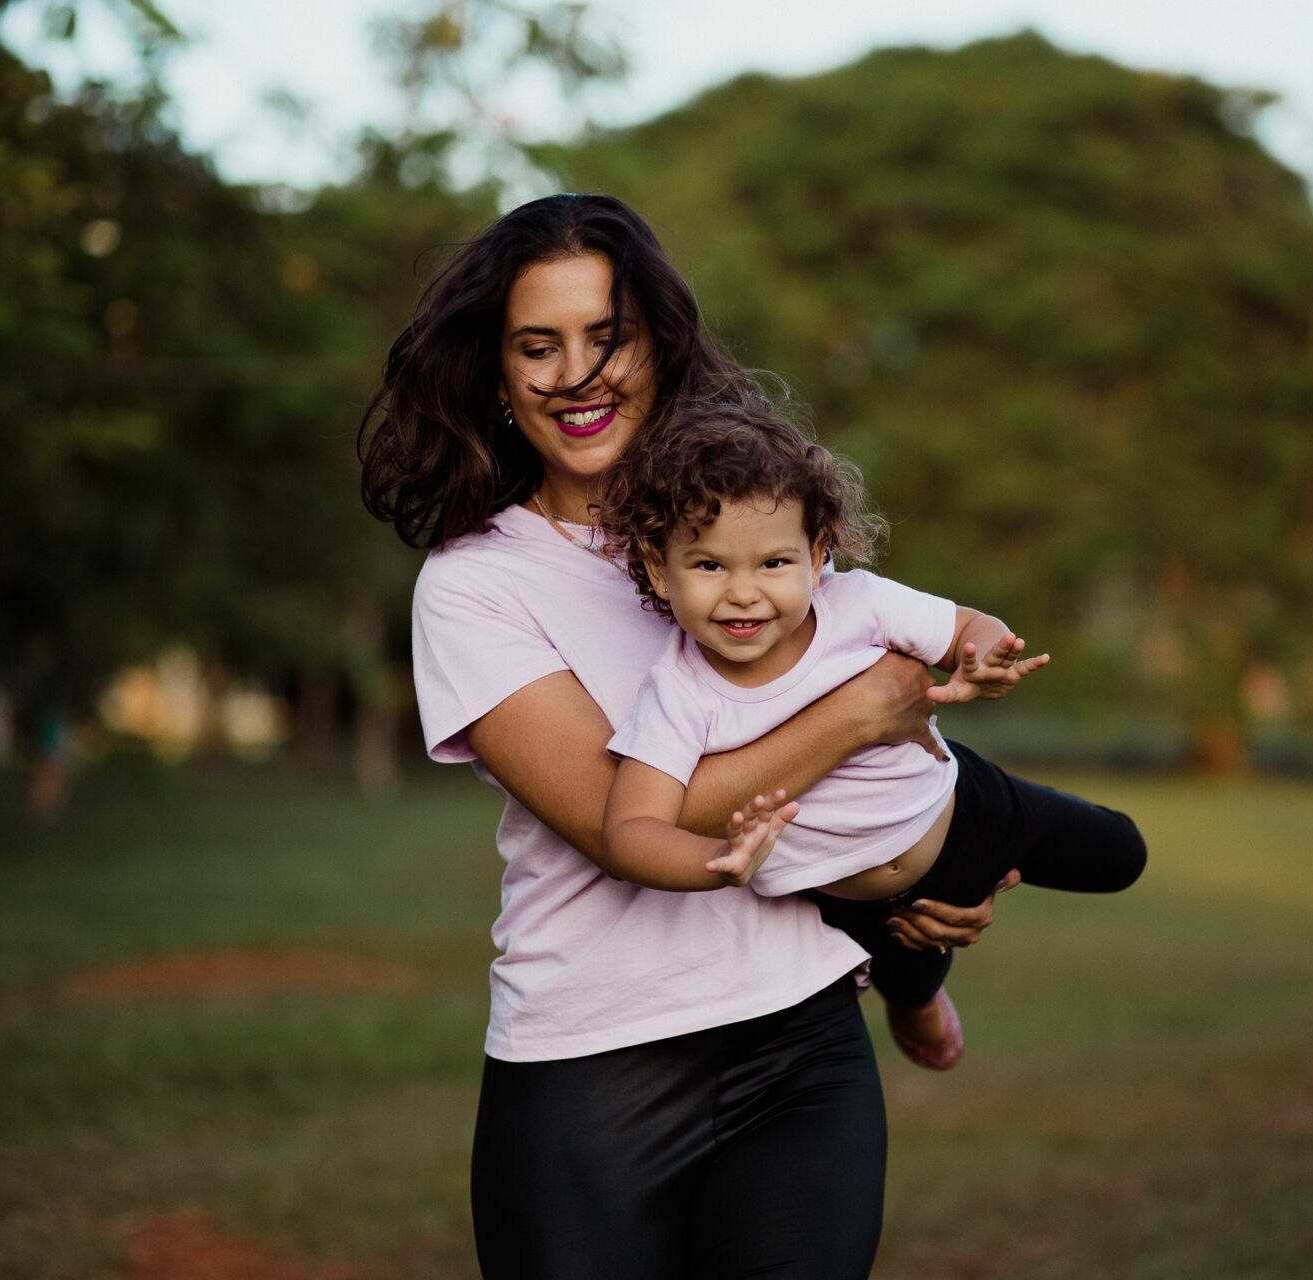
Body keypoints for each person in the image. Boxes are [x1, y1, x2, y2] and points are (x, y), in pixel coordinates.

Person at [359, 192, 1007, 1279]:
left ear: (660, 346)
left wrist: (912, 899)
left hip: (799, 1046)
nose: (579, 375)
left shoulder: (749, 526)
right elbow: (624, 823)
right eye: (539, 346)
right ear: (497, 374)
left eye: (609, 339)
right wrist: (858, 714)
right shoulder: (474, 585)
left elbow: (859, 763)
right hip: (589, 1068)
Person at [598, 401, 1147, 1069]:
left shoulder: (857, 604)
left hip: (961, 809)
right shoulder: (679, 692)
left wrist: (984, 654)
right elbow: (630, 831)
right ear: (659, 567)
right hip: (853, 901)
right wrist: (715, 864)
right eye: (710, 567)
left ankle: (961, 928)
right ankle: (912, 1003)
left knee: (1121, 854)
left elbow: (966, 626)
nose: (743, 593)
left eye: (773, 564)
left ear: (817, 553)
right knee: (910, 969)